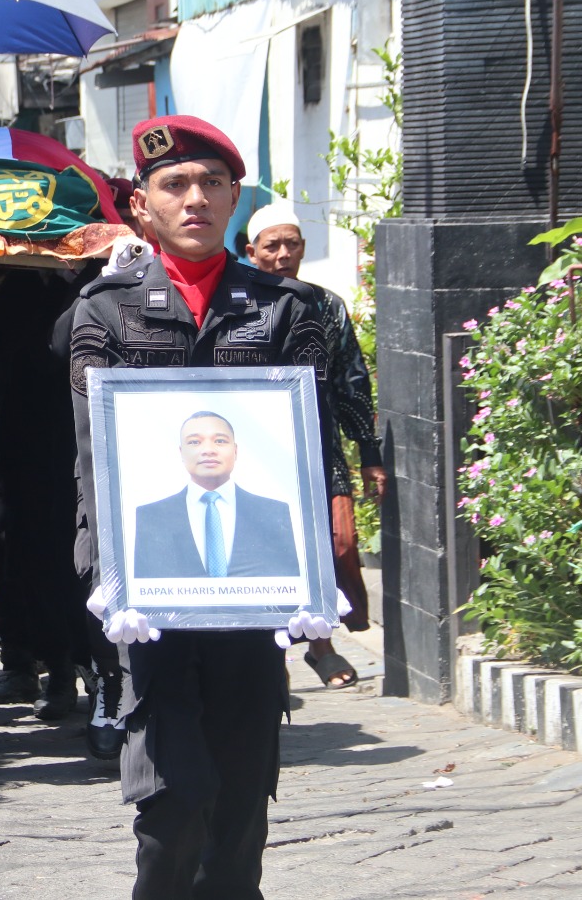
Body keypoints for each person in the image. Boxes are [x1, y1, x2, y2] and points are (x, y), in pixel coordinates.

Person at [69, 114, 337, 900]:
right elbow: (96, 457)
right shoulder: (106, 311)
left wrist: (315, 574)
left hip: (252, 581)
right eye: (175, 184)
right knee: (173, 797)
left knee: (242, 798)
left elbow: (309, 445)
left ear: (233, 198)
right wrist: (110, 575)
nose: (196, 199)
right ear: (142, 206)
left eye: (212, 183)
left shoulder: (287, 310)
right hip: (151, 590)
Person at [243, 201, 385, 688]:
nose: (283, 254)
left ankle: (321, 643)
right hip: (255, 450)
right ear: (252, 252)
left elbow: (351, 380)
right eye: (272, 246)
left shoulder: (327, 306)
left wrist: (369, 453)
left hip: (319, 446)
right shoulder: (236, 302)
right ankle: (273, 655)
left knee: (336, 545)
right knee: (268, 551)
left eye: (292, 244)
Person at [0, 267, 91, 720]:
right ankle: (34, 665)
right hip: (15, 438)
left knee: (71, 563)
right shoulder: (10, 280)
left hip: (77, 441)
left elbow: (59, 349)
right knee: (17, 556)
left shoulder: (98, 280)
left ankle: (82, 669)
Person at [131, 411, 299, 580]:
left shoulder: (273, 513)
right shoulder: (151, 516)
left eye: (220, 441)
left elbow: (290, 584)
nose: (208, 450)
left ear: (235, 451)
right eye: (195, 442)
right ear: (181, 452)